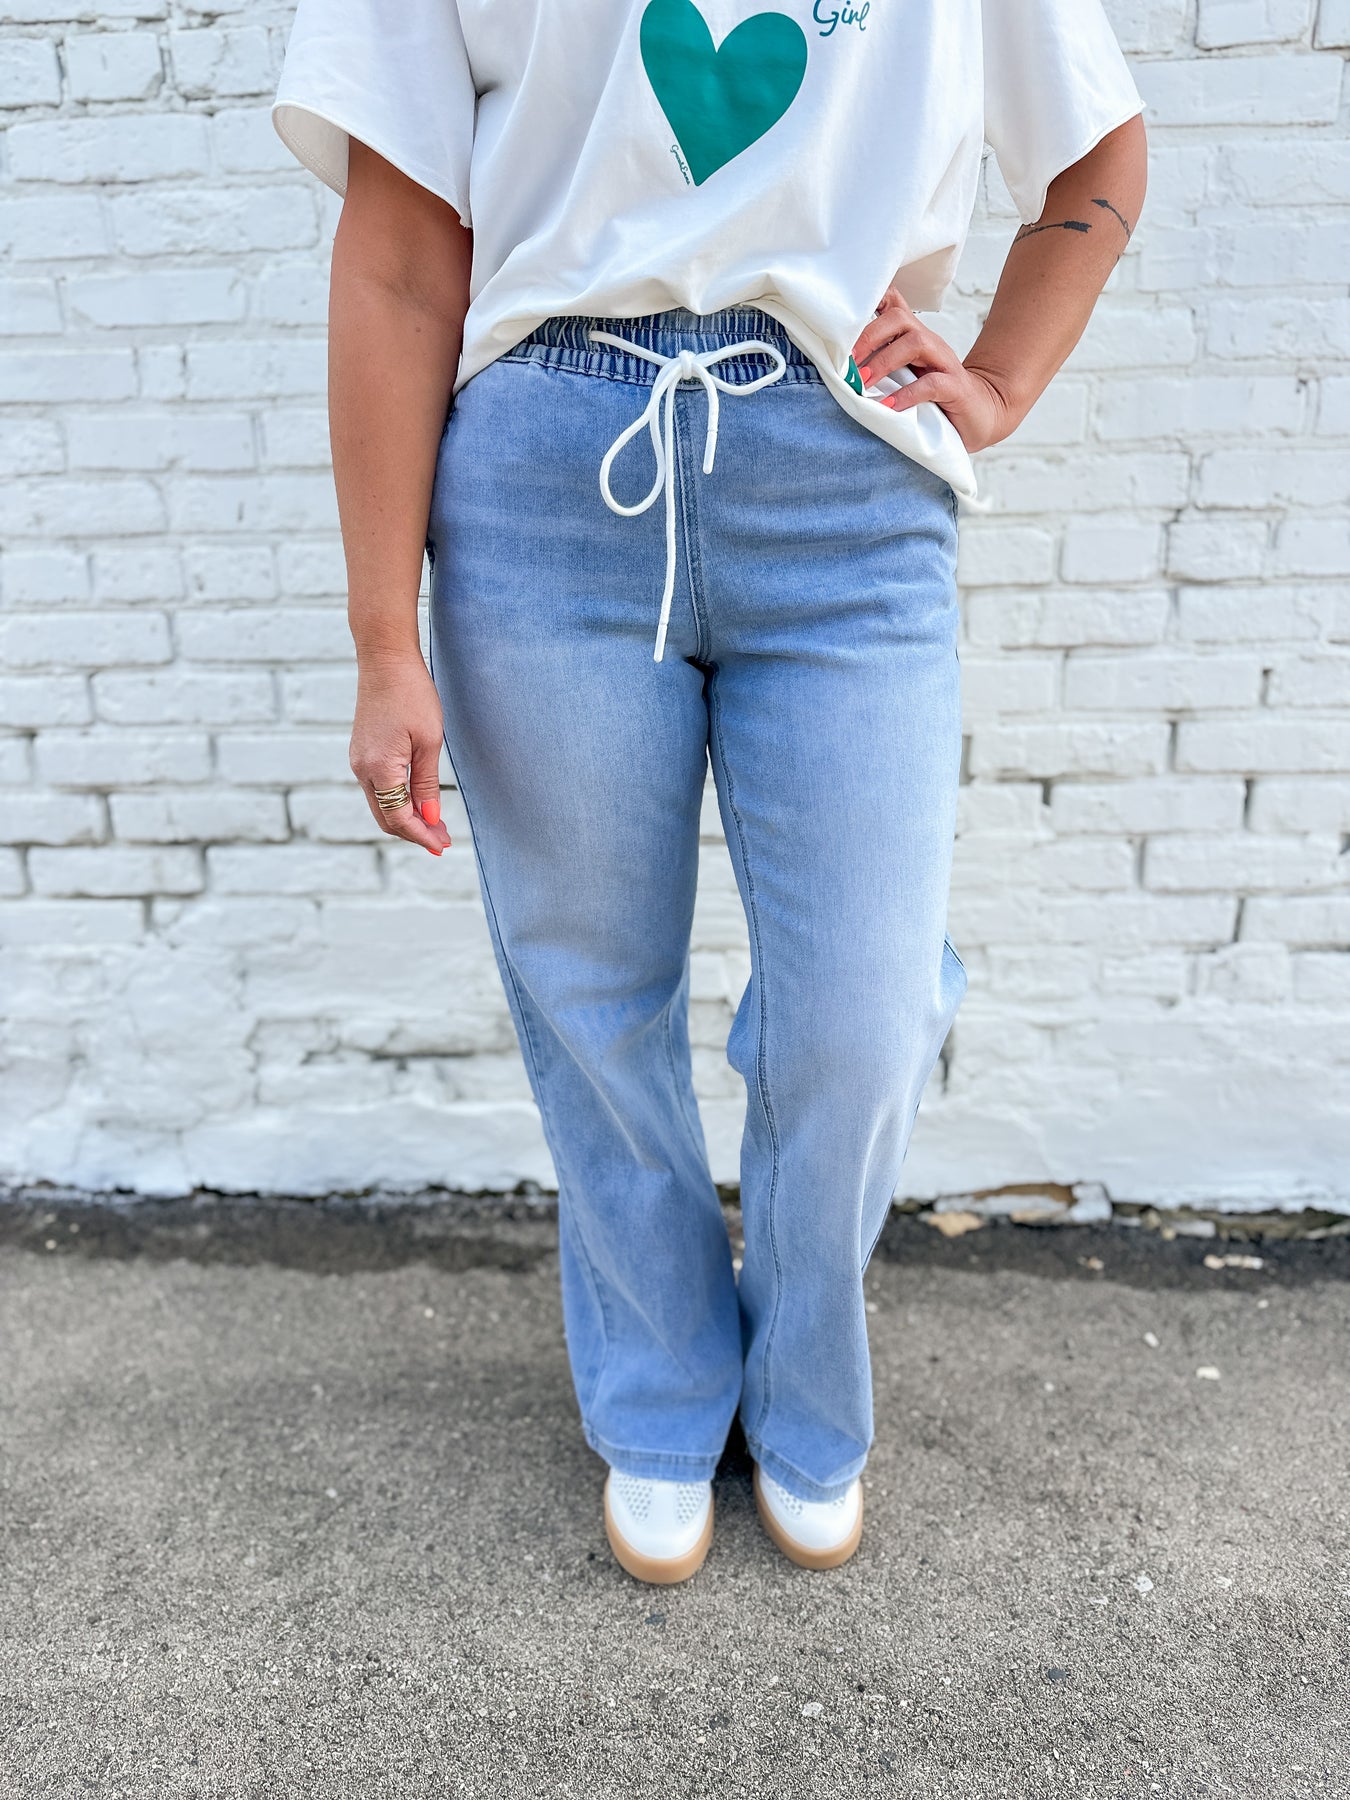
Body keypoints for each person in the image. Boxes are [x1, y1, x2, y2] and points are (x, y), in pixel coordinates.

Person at [272, 0, 1147, 1585]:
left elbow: (1094, 153)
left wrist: (1001, 377)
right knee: (589, 986)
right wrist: (381, 638)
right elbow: (398, 256)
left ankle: (805, 1375)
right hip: (546, 476)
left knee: (863, 1005)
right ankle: (661, 1386)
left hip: (844, 478)